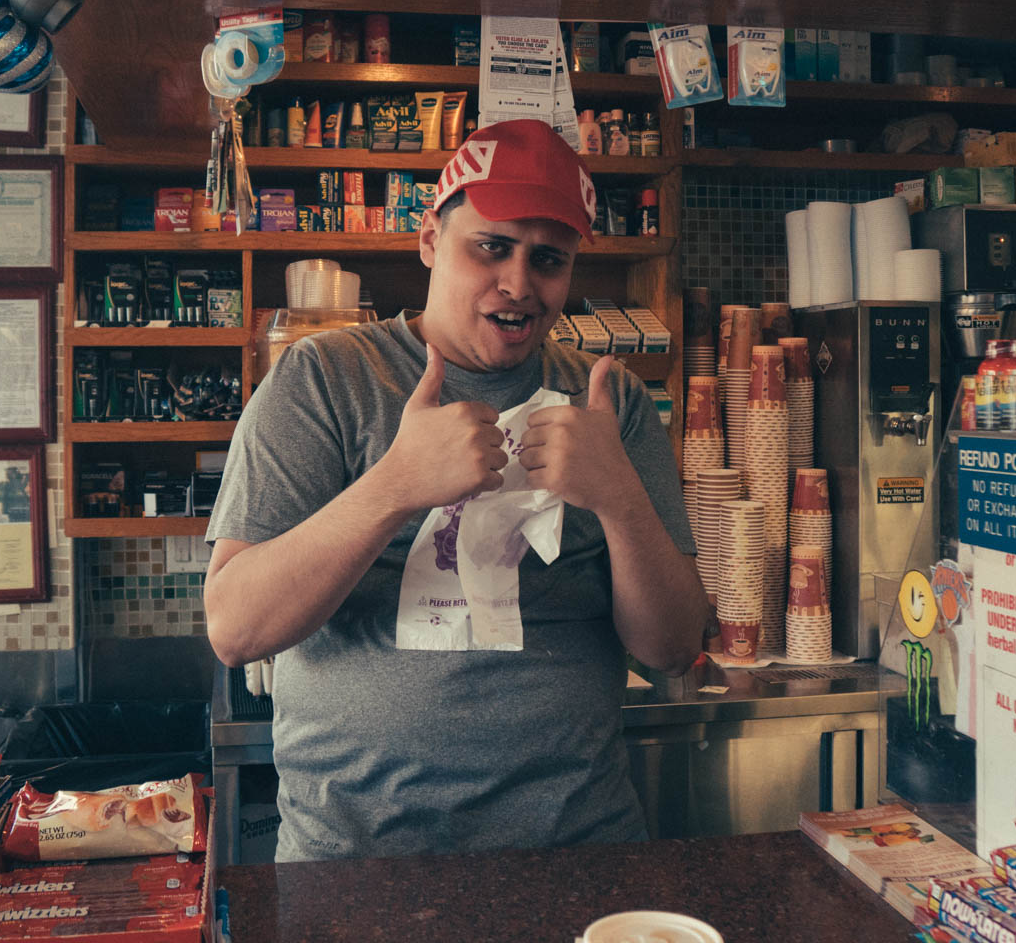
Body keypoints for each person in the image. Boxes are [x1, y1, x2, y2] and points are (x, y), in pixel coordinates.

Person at [203, 118, 706, 861]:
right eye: (491, 247)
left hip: (577, 852)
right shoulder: (324, 380)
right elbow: (236, 627)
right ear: (432, 241)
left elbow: (673, 649)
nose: (519, 283)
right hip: (357, 863)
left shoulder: (609, 404)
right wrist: (395, 488)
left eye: (549, 260)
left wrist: (620, 500)